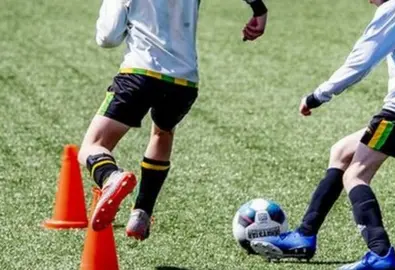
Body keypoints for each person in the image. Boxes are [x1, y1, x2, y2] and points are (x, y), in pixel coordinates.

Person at [250, 0, 395, 269]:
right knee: (342, 151)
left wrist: (318, 96)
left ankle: (380, 254)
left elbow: (360, 62)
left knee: (356, 174)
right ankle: (304, 236)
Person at [78, 0, 269, 241]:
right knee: (162, 133)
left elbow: (107, 37)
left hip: (140, 73)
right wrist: (259, 10)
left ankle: (110, 176)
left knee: (93, 146)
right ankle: (142, 213)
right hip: (184, 81)